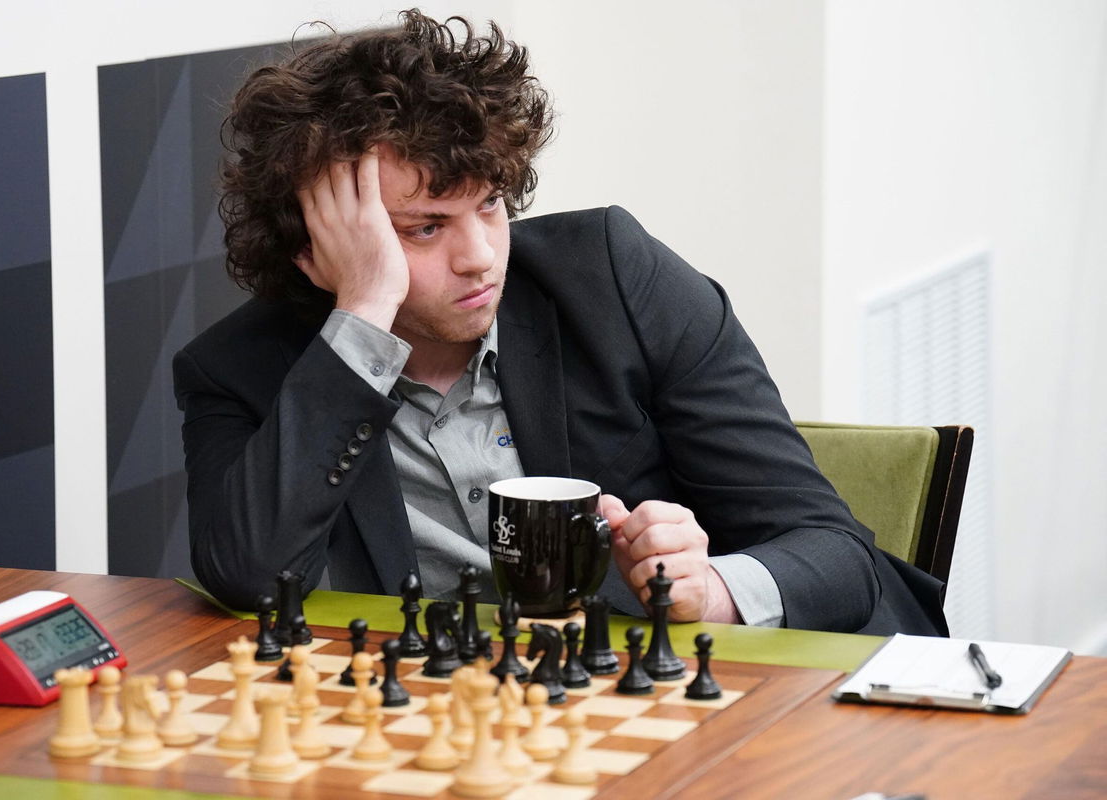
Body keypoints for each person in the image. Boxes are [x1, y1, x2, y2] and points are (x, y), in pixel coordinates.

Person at [173, 10, 946, 635]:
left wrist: (710, 591)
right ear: (317, 251)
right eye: (423, 229)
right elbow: (248, 579)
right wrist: (365, 315)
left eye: (489, 204)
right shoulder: (242, 371)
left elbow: (837, 554)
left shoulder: (614, 278)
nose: (480, 257)